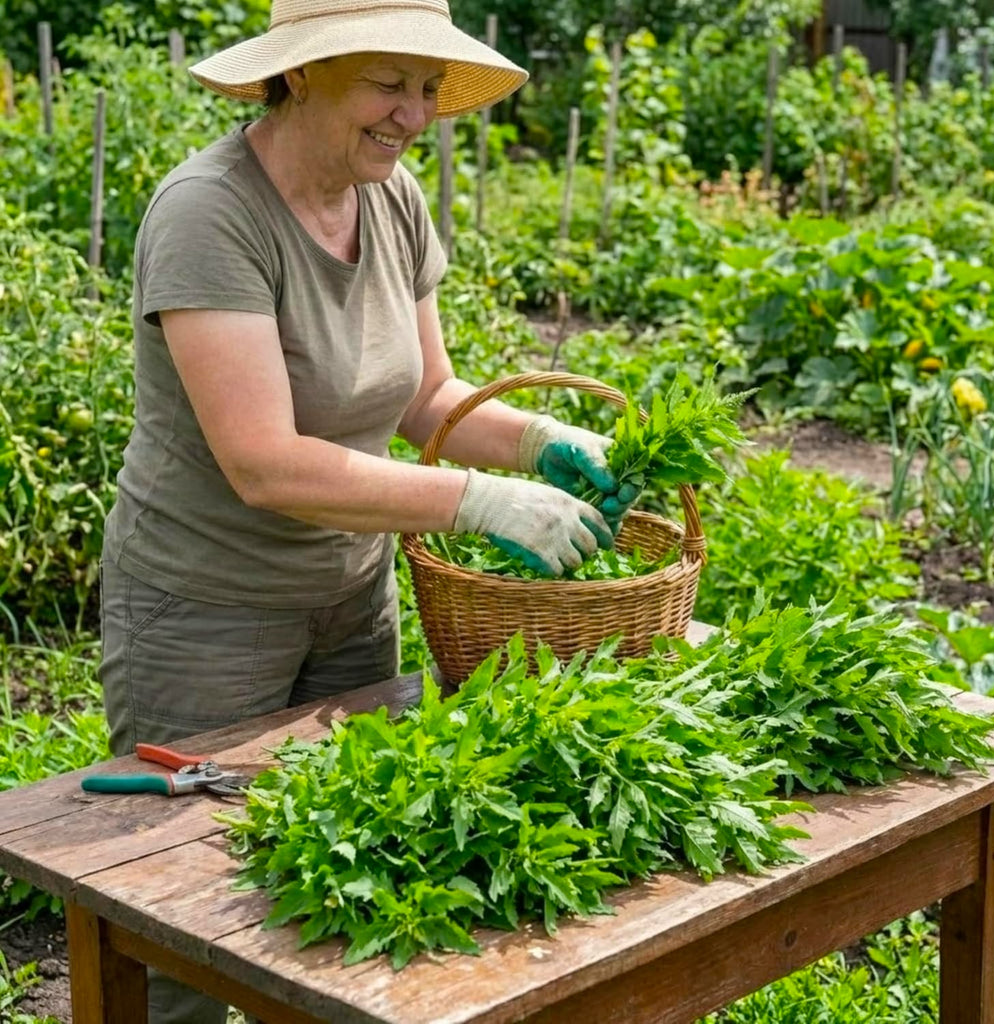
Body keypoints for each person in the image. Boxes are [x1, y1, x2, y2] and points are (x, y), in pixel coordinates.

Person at [98, 0, 636, 1019]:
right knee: (181, 914)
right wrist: (475, 500)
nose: (414, 114)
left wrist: (544, 444)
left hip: (352, 597)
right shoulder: (210, 213)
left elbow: (426, 398)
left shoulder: (389, 203)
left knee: (336, 887)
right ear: (302, 74)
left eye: (429, 89)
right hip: (204, 609)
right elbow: (263, 463)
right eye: (389, 84)